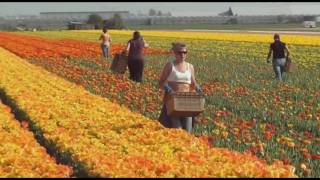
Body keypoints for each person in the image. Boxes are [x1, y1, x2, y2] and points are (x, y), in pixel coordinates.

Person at [158, 42, 202, 133]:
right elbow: (161, 82)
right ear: (174, 53)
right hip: (173, 101)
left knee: (188, 131)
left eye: (185, 52)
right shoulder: (170, 65)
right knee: (177, 130)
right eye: (180, 52)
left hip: (186, 102)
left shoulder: (190, 67)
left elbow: (193, 84)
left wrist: (197, 88)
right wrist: (168, 89)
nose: (182, 54)